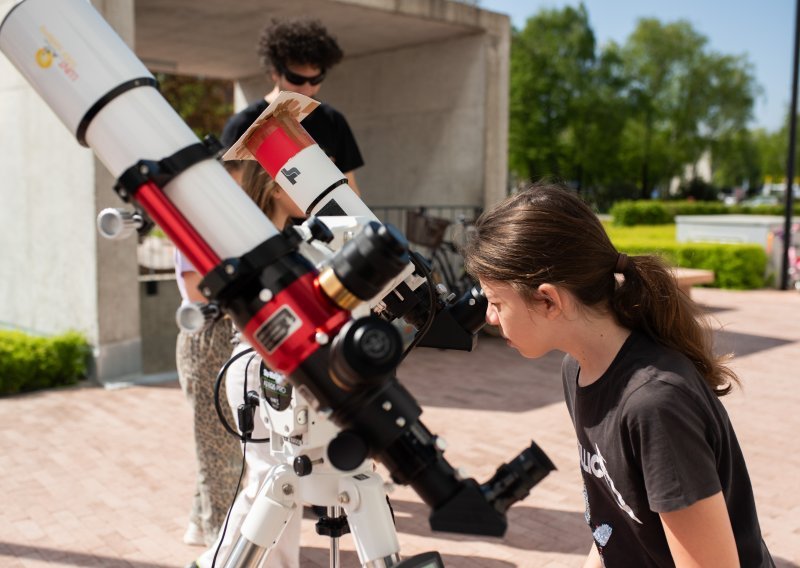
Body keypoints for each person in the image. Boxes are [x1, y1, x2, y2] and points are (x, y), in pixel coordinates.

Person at [462, 183, 775, 567]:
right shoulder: (577, 368)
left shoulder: (655, 403)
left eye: (496, 303)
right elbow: (615, 522)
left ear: (548, 300)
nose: (490, 318)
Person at [190, 160, 306, 568]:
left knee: (284, 477)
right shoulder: (252, 241)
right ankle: (218, 563)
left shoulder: (285, 239)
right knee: (267, 479)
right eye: (296, 180)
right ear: (275, 188)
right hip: (256, 366)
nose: (306, 188)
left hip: (276, 367)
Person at [220, 17, 364, 195]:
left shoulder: (333, 120)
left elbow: (349, 186)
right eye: (296, 79)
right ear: (275, 73)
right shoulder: (244, 123)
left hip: (319, 221)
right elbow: (226, 187)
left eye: (315, 80)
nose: (306, 88)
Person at [175, 200, 243, 547]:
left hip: (225, 338)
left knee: (221, 444)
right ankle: (221, 540)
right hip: (207, 339)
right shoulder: (192, 223)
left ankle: (199, 525)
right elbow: (196, 290)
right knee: (219, 450)